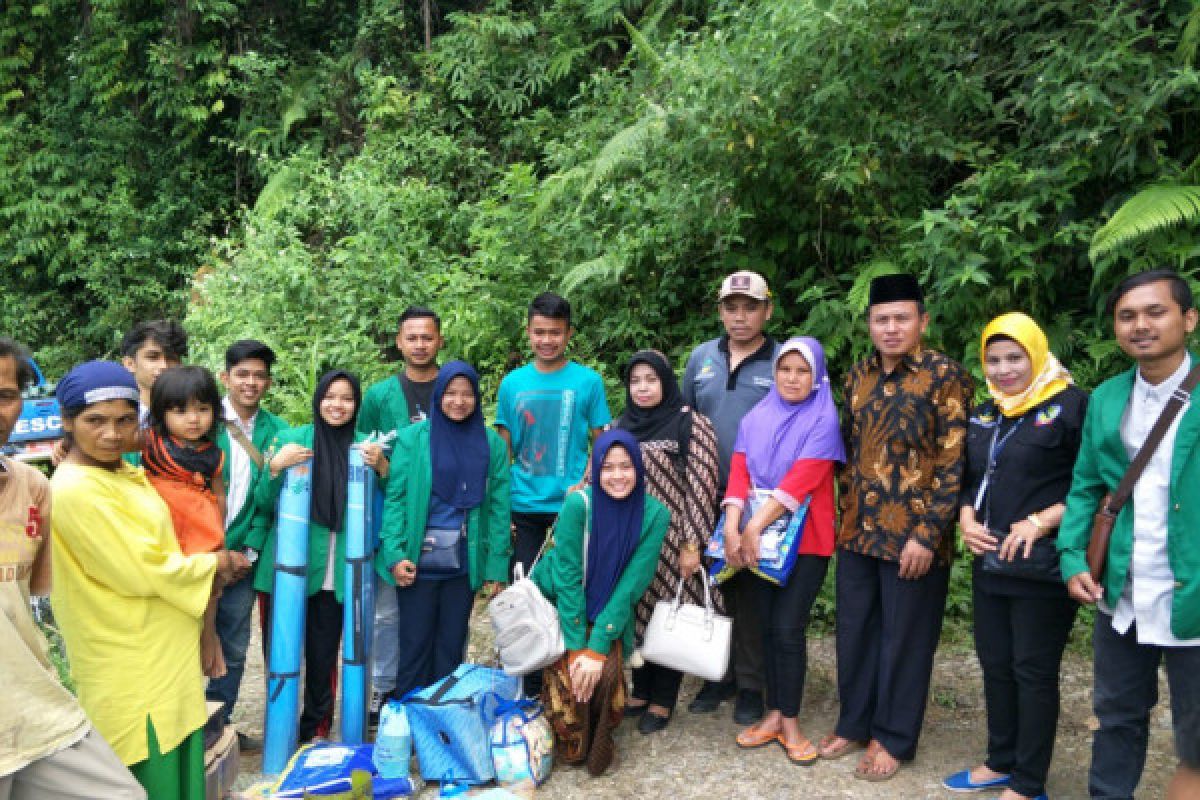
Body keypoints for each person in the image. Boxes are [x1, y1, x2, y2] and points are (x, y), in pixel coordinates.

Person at [50, 360, 249, 800]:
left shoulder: (124, 472)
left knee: (179, 770)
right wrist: (217, 564)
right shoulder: (76, 489)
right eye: (94, 421)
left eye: (124, 420)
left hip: (165, 661)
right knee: (145, 777)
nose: (112, 433)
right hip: (129, 666)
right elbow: (146, 569)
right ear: (68, 422)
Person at [819, 273, 972, 782]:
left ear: (922, 322)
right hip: (858, 530)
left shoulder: (945, 376)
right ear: (869, 324)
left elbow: (955, 463)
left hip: (914, 536)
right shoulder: (856, 377)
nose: (891, 327)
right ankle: (854, 722)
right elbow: (845, 452)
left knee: (905, 638)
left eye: (901, 318)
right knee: (855, 633)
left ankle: (893, 736)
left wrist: (928, 533)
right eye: (881, 319)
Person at [1057, 269, 1200, 800]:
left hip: (1193, 593)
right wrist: (1073, 557)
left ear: (1188, 318)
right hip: (1122, 592)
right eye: (1127, 316)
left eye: (1155, 312)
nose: (1140, 325)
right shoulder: (1108, 397)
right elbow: (1086, 486)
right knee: (1115, 714)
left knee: (1197, 738)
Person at [943, 313, 1087, 800]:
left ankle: (1029, 783)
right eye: (994, 359)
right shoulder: (987, 412)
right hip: (991, 564)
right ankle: (1000, 761)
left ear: (1037, 354)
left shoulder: (1070, 407)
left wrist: (1043, 520)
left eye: (1015, 357)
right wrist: (965, 518)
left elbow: (1095, 483)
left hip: (1042, 568)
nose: (1004, 369)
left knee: (1033, 670)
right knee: (996, 664)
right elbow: (967, 479)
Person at [0, 341, 147, 800]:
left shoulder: (31, 487)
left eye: (4, 395)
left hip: (32, 710)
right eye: (97, 420)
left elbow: (28, 604)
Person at [247, 370, 388, 743]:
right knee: (280, 652)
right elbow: (262, 501)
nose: (337, 405)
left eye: (346, 398)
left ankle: (316, 730)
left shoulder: (364, 448)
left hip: (336, 573)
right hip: (287, 570)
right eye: (330, 396)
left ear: (357, 406)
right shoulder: (294, 440)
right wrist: (276, 467)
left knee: (324, 658)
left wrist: (384, 471)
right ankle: (279, 733)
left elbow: (388, 505)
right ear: (317, 399)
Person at [723, 337, 845, 765]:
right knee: (765, 625)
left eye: (802, 370)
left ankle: (790, 719)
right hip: (756, 540)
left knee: (788, 627)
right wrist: (733, 525)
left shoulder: (823, 418)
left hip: (806, 541)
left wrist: (753, 525)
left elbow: (802, 479)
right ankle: (773, 715)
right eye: (785, 369)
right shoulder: (758, 416)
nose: (792, 379)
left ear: (817, 376)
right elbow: (739, 471)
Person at [532, 429, 668, 776]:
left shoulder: (654, 514)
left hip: (611, 609)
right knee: (571, 682)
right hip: (565, 604)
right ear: (595, 469)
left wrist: (597, 648)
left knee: (604, 676)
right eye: (608, 467)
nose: (618, 476)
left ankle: (600, 736)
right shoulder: (579, 504)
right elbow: (567, 578)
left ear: (639, 469)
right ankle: (570, 735)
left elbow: (631, 586)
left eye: (626, 467)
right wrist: (578, 647)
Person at [377, 360, 511, 698]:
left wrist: (496, 566)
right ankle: (407, 719)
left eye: (467, 394)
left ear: (477, 399)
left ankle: (442, 726)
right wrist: (393, 553)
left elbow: (498, 508)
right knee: (413, 645)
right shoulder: (413, 439)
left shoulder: (491, 444)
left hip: (463, 563)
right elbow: (396, 498)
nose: (459, 401)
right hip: (417, 561)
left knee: (451, 647)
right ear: (438, 395)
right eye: (450, 393)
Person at [681, 270, 779, 724]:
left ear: (767, 310)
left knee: (753, 593)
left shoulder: (782, 361)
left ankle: (751, 685)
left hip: (760, 499)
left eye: (750, 307)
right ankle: (715, 675)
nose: (740, 317)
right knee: (712, 587)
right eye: (731, 307)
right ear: (720, 310)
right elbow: (685, 421)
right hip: (706, 492)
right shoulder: (701, 358)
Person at [612, 349, 722, 735]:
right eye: (635, 381)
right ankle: (641, 691)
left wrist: (692, 542)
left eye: (651, 380)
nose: (643, 388)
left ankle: (663, 699)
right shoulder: (619, 427)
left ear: (666, 382)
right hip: (632, 540)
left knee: (671, 617)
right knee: (639, 614)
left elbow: (703, 485)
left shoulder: (689, 423)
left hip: (676, 538)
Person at [357, 306, 445, 716]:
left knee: (444, 606)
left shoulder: (454, 386)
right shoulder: (379, 396)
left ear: (439, 340)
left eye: (427, 337)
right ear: (398, 342)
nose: (420, 345)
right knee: (388, 610)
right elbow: (365, 454)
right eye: (412, 338)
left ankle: (441, 683)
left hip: (446, 516)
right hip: (393, 512)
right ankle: (384, 687)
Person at [495, 292, 612, 575]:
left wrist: (587, 482)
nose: (547, 340)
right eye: (540, 332)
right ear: (528, 332)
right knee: (524, 585)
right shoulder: (512, 384)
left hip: (573, 499)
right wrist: (500, 504)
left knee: (572, 581)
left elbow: (603, 442)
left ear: (569, 333)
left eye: (555, 333)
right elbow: (502, 450)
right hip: (523, 501)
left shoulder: (589, 382)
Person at [206, 339, 286, 751]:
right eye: (243, 374)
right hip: (195, 554)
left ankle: (219, 727)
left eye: (259, 376)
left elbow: (268, 502)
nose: (251, 383)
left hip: (242, 557)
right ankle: (180, 732)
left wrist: (247, 552)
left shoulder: (279, 432)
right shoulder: (200, 419)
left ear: (268, 382)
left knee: (233, 646)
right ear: (226, 378)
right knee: (181, 643)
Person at [142, 366, 228, 681]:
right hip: (165, 530)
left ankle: (209, 641)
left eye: (203, 410)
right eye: (180, 411)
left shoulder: (213, 455)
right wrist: (67, 445)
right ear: (162, 413)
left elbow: (220, 498)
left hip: (200, 530)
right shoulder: (150, 442)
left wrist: (222, 541)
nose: (193, 419)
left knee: (208, 593)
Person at [120, 319, 189, 424]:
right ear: (130, 364)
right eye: (153, 357)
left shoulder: (196, 417)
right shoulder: (119, 418)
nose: (164, 366)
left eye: (172, 358)